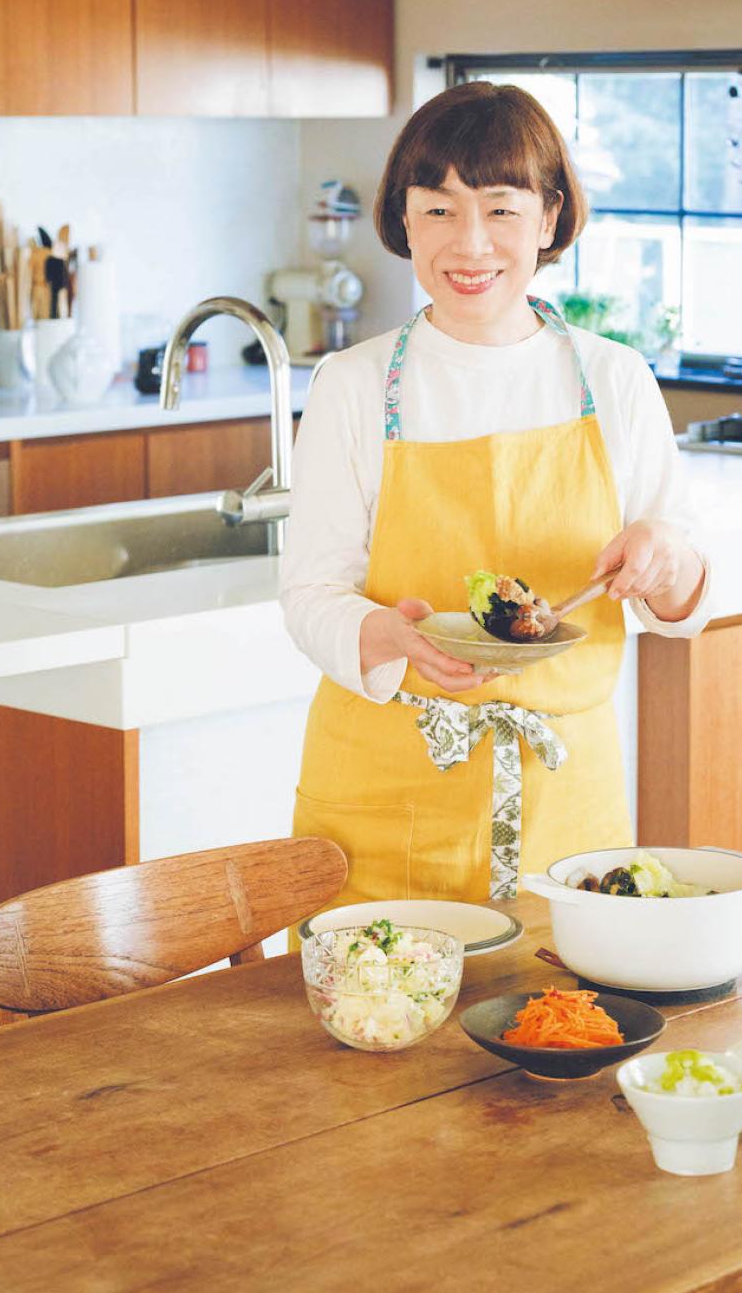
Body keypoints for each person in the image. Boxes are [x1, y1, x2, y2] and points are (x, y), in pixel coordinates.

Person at [281, 82, 715, 906]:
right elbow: (309, 594)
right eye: (437, 209)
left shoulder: (613, 378)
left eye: (500, 209)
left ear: (549, 219)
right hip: (382, 794)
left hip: (566, 804)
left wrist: (664, 561)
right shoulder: (352, 383)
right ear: (402, 219)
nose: (468, 243)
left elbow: (686, 599)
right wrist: (386, 635)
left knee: (561, 1021)